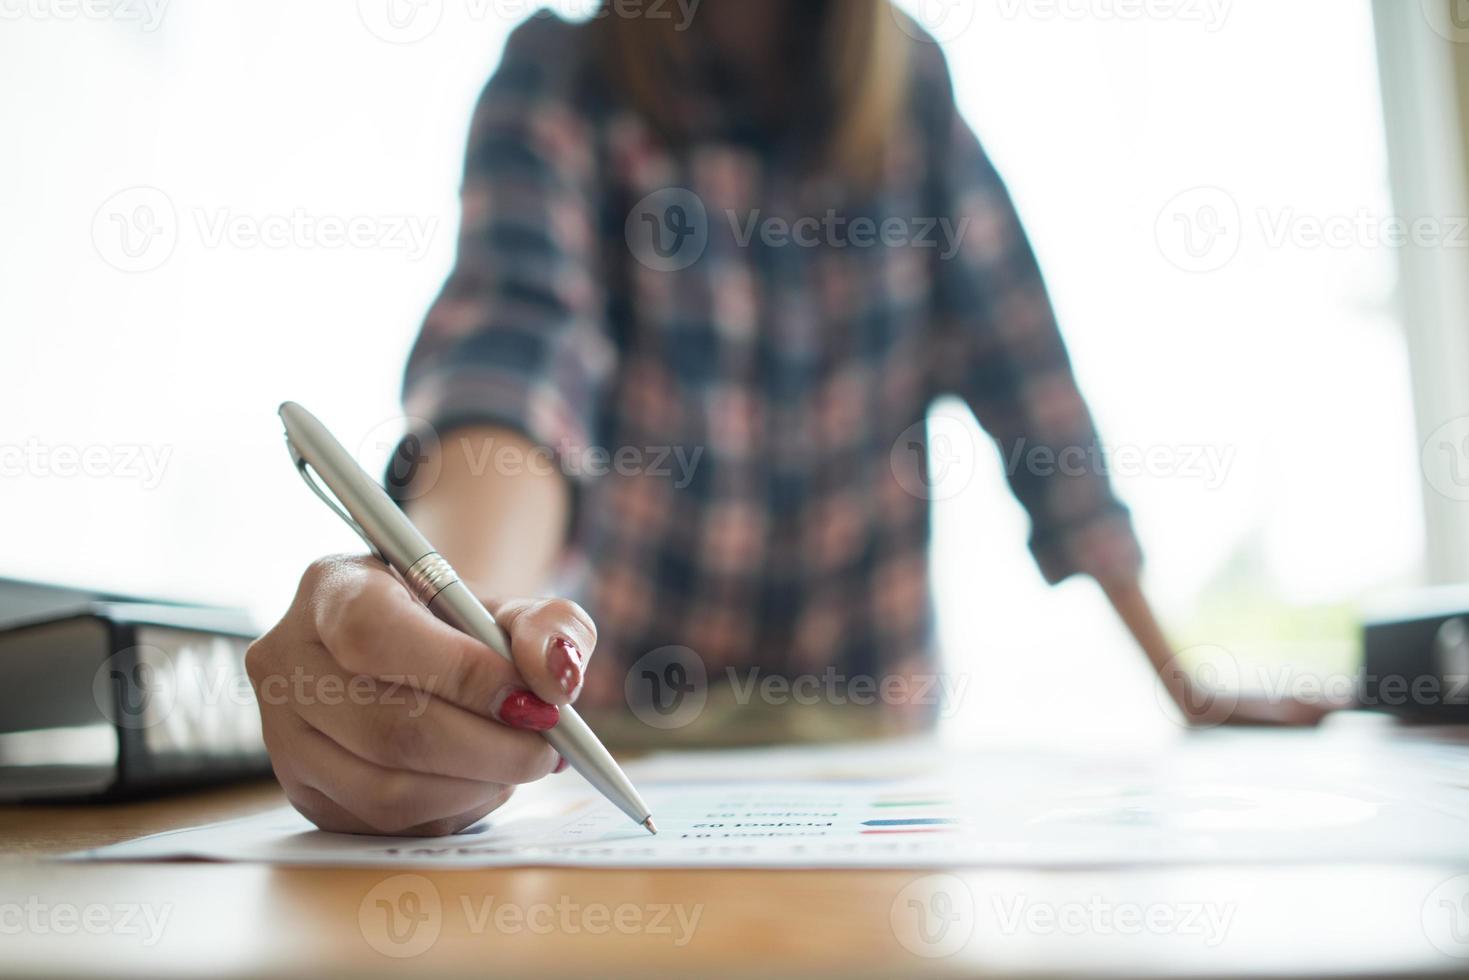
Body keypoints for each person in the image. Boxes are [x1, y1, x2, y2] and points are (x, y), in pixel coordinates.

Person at [245, 0, 1333, 837]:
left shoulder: (910, 94)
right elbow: (518, 371)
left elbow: (1034, 398)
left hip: (872, 739)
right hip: (624, 724)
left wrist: (1181, 682)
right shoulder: (561, 77)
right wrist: (458, 634)